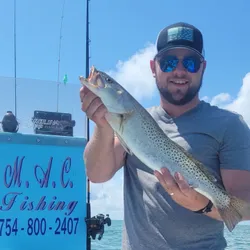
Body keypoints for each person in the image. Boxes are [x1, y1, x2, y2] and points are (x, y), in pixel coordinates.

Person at [80, 22, 250, 250]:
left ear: (203, 68)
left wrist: (203, 205)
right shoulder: (134, 121)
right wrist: (101, 125)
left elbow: (243, 207)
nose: (179, 71)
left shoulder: (230, 125)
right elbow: (97, 174)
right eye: (169, 62)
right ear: (153, 67)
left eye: (190, 63)